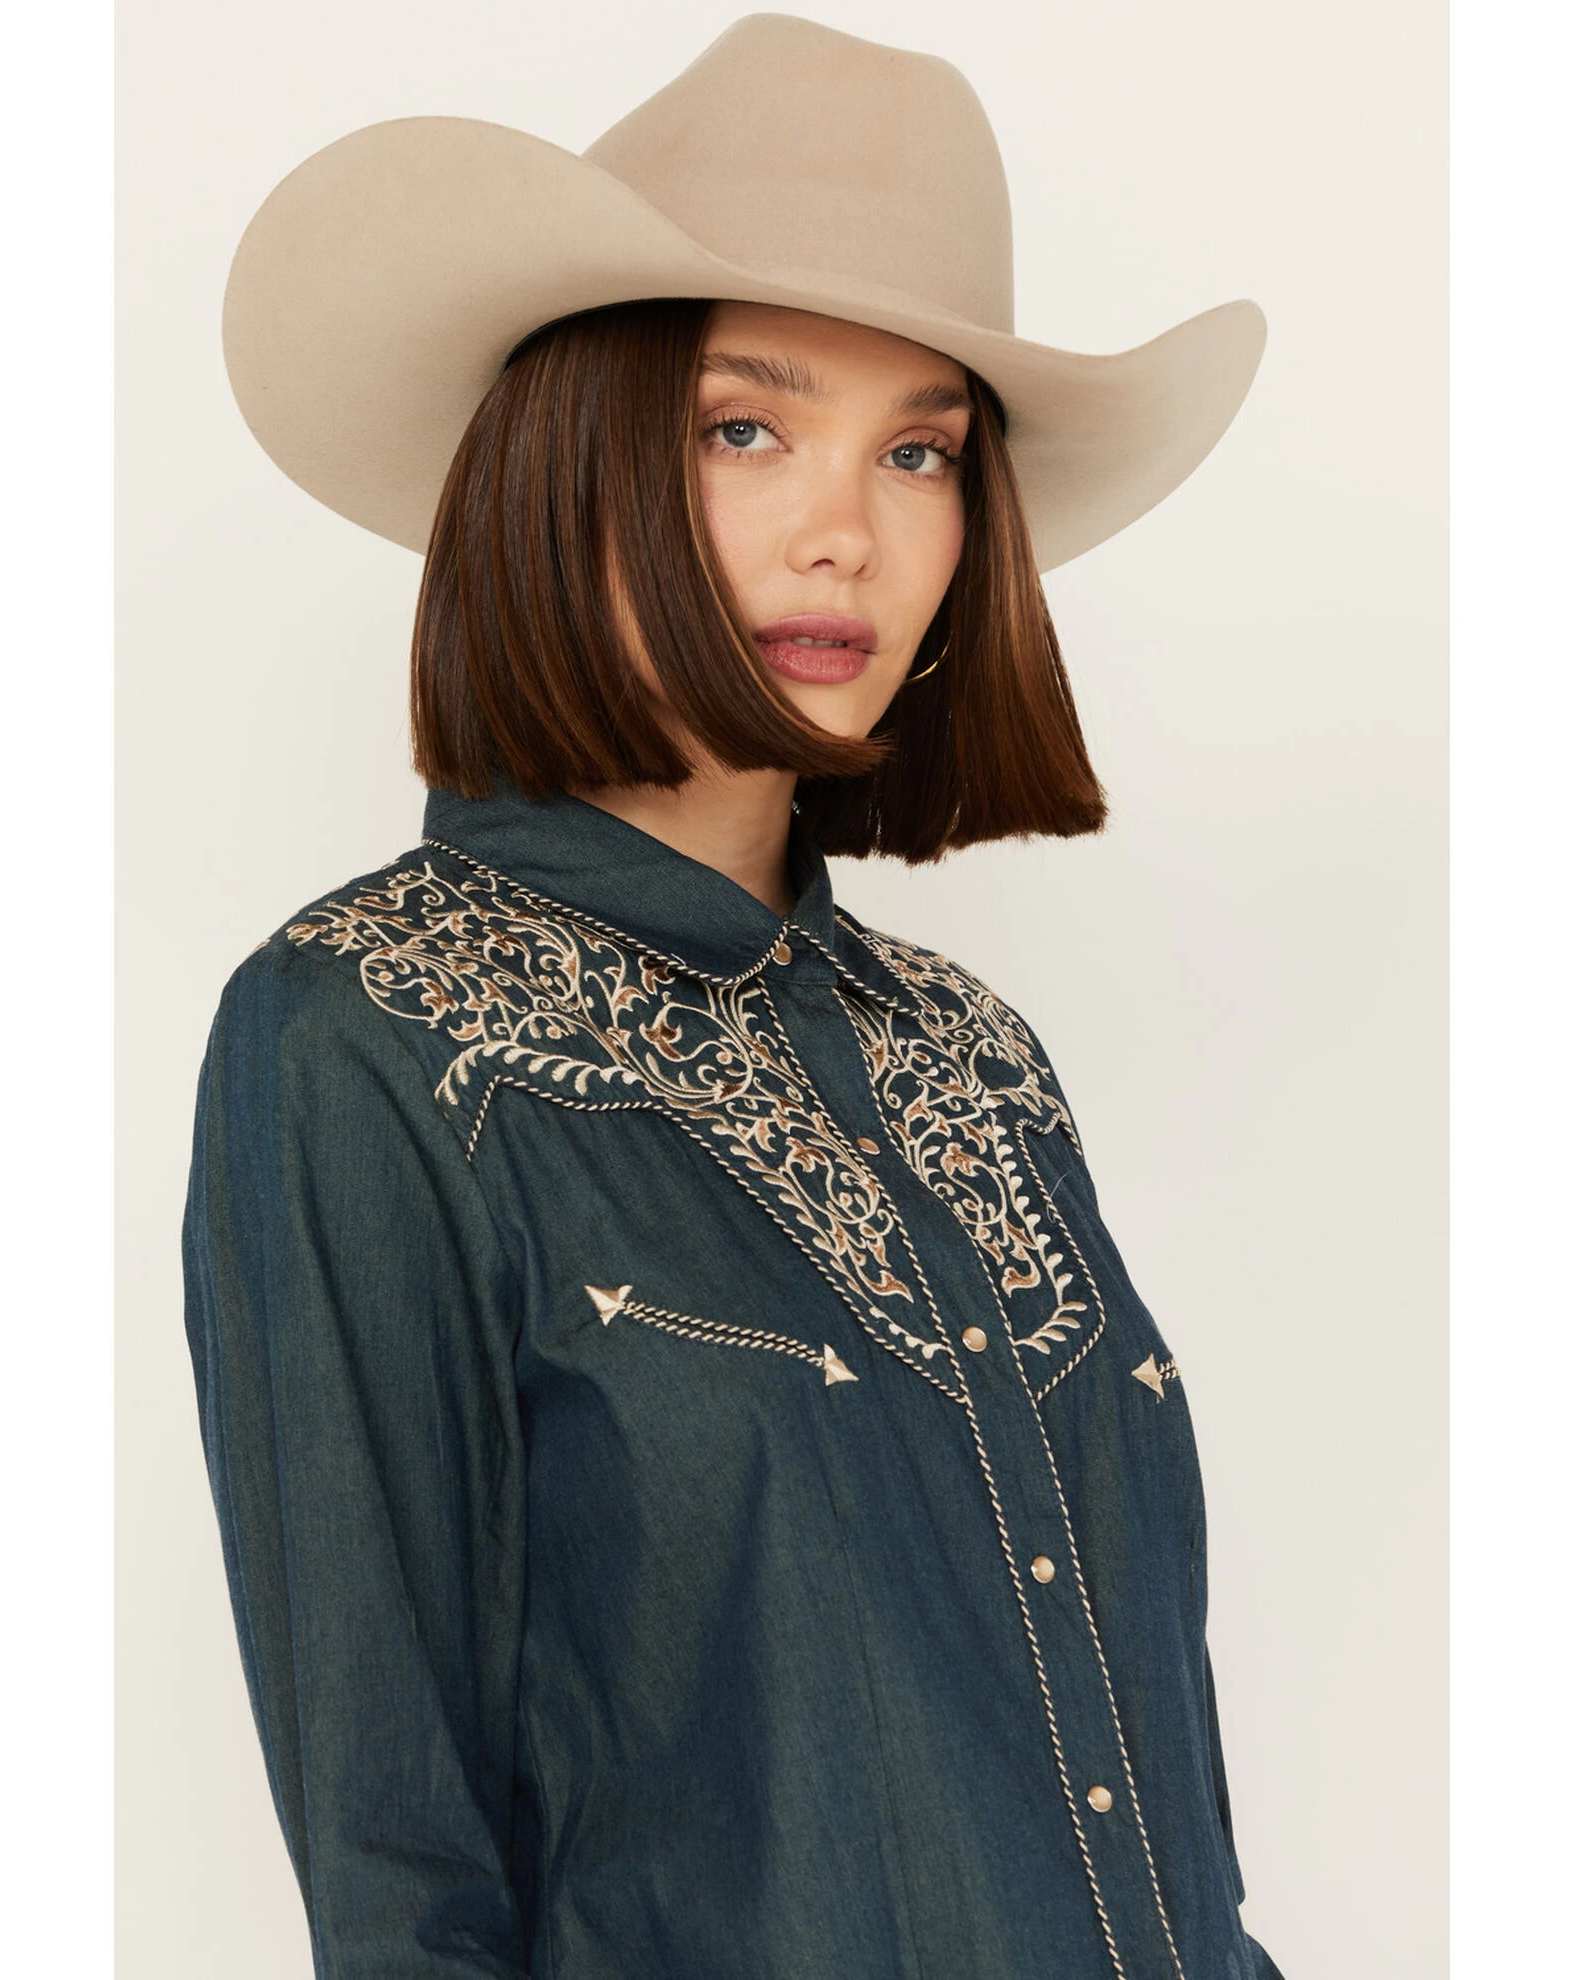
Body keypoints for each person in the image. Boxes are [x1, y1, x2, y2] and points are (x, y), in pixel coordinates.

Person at [184, 15, 1281, 1979]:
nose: (846, 528)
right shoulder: (368, 1037)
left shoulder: (971, 1055)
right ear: (575, 452)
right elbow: (399, 1883)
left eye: (920, 451)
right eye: (744, 429)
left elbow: (1157, 1796)